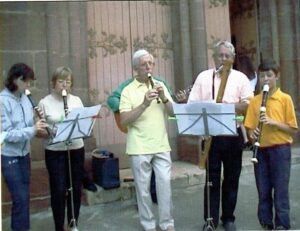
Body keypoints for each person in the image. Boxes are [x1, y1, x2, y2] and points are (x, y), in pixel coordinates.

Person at [188, 41, 253, 231]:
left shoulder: (240, 78)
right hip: (210, 136)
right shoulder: (203, 77)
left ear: (232, 59)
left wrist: (222, 107)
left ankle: (228, 218)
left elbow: (247, 104)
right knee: (211, 179)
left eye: (227, 56)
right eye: (220, 55)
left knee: (232, 178)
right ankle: (210, 220)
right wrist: (228, 106)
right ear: (214, 56)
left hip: (232, 134)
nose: (223, 59)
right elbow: (193, 104)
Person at [119, 49, 175, 231]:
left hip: (161, 144)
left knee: (164, 185)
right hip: (139, 146)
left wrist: (164, 98)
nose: (149, 67)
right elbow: (124, 120)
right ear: (136, 68)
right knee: (142, 190)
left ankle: (167, 223)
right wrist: (144, 104)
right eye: (144, 64)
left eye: (151, 63)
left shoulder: (160, 85)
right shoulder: (128, 91)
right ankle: (148, 224)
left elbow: (173, 112)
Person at [244, 59, 298, 230]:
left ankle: (282, 223)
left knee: (280, 189)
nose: (265, 79)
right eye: (262, 76)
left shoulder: (285, 99)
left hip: (280, 150)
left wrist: (273, 122)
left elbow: (293, 130)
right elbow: (251, 131)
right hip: (261, 150)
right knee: (263, 189)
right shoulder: (255, 101)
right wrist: (253, 135)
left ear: (277, 76)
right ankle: (266, 222)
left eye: (269, 75)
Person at [0, 63, 47, 231]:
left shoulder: (26, 98)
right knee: (19, 198)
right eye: (26, 82)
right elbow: (6, 134)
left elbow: (29, 124)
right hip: (8, 156)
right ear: (16, 79)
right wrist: (33, 129)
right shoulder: (2, 101)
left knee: (24, 198)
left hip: (24, 154)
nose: (29, 86)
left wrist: (38, 122)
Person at [38, 66, 85, 231]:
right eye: (61, 81)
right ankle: (59, 226)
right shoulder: (44, 102)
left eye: (68, 81)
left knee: (75, 187)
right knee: (58, 189)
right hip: (55, 151)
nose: (64, 85)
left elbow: (83, 122)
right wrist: (48, 132)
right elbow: (39, 130)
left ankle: (73, 223)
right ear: (53, 83)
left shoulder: (77, 100)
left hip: (76, 148)